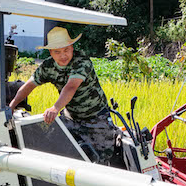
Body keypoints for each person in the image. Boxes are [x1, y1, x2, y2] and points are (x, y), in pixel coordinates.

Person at [8, 27, 119, 165]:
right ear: (50, 52)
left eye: (66, 50)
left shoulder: (82, 62)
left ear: (72, 47)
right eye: (57, 52)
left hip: (96, 118)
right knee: (53, 149)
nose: (63, 55)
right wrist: (11, 106)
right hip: (71, 118)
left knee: (102, 161)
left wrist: (55, 108)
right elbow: (29, 85)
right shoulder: (48, 66)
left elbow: (71, 87)